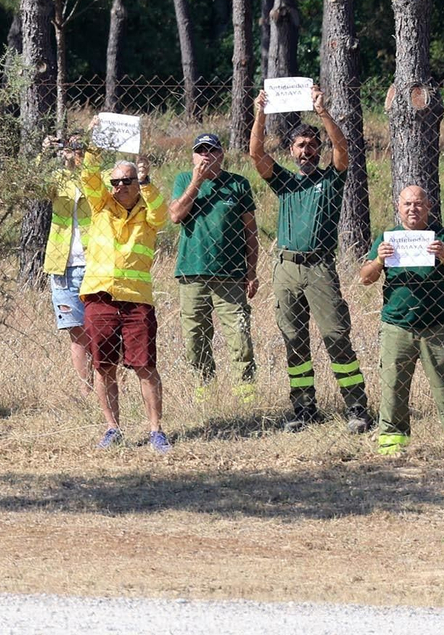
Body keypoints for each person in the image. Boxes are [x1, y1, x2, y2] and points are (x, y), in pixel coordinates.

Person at [249, 85, 371, 433]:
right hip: (286, 268)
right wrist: (261, 111)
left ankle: (357, 407)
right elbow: (255, 154)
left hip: (319, 267)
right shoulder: (286, 183)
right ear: (290, 151)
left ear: (318, 148)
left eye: (312, 144)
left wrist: (322, 113)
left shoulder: (331, 180)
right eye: (300, 145)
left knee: (335, 335)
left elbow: (344, 149)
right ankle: (304, 409)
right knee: (294, 339)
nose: (306, 150)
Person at [358, 185, 444, 457]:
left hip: (437, 325)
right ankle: (392, 444)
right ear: (399, 208)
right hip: (396, 325)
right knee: (393, 388)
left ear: (429, 206)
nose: (413, 209)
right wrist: (379, 260)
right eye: (407, 204)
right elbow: (365, 278)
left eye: (419, 204)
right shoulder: (387, 239)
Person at [79, 123, 170, 452]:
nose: (118, 186)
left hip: (136, 301)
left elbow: (163, 216)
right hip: (100, 296)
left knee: (145, 366)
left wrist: (147, 183)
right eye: (114, 182)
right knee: (104, 366)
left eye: (125, 181)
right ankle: (112, 428)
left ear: (137, 182)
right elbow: (89, 175)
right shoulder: (101, 205)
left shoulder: (149, 211)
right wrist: (96, 142)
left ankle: (156, 431)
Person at [168, 132, 259, 403]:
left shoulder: (238, 184)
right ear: (193, 156)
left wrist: (252, 271)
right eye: (200, 151)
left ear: (221, 155)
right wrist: (197, 181)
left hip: (231, 275)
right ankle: (204, 388)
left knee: (239, 335)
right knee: (195, 336)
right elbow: (175, 215)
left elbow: (251, 232)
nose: (206, 155)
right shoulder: (184, 180)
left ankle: (246, 393)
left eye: (211, 151)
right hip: (193, 272)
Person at [41, 134, 93, 396]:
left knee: (102, 330)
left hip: (95, 263)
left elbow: (98, 190)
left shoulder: (99, 176)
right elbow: (35, 187)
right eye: (69, 147)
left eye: (77, 147)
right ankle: (86, 392)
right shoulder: (58, 178)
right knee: (77, 332)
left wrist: (84, 160)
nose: (72, 152)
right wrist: (46, 155)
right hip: (63, 265)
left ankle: (105, 388)